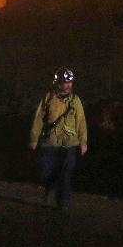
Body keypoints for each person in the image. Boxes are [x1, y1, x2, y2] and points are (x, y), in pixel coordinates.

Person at [29, 67, 88, 209]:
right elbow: (38, 119)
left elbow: (81, 121)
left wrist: (83, 141)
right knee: (45, 172)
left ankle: (63, 203)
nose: (68, 85)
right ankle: (50, 186)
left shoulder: (75, 100)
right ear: (58, 83)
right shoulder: (48, 98)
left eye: (70, 82)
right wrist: (34, 138)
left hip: (69, 143)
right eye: (65, 82)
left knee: (65, 174)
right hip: (49, 142)